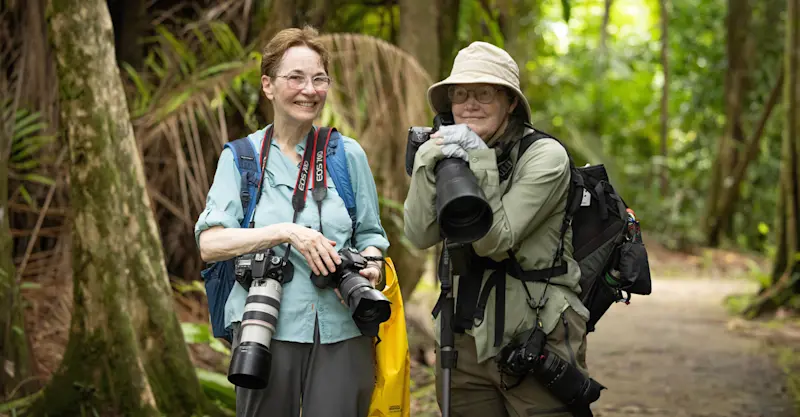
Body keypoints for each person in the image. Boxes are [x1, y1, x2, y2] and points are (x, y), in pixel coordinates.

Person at [194, 26, 389, 417]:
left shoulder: (346, 155)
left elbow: (372, 236)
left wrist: (370, 267)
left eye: (319, 79)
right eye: (296, 77)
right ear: (268, 86)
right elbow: (210, 243)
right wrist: (286, 232)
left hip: (343, 326)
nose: (309, 89)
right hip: (265, 329)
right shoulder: (242, 158)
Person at [403, 41, 593, 416]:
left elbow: (495, 240)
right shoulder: (447, 156)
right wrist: (427, 161)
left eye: (484, 93)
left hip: (537, 332)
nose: (470, 104)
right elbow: (418, 235)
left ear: (509, 102)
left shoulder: (546, 158)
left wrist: (477, 156)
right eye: (460, 94)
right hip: (465, 334)